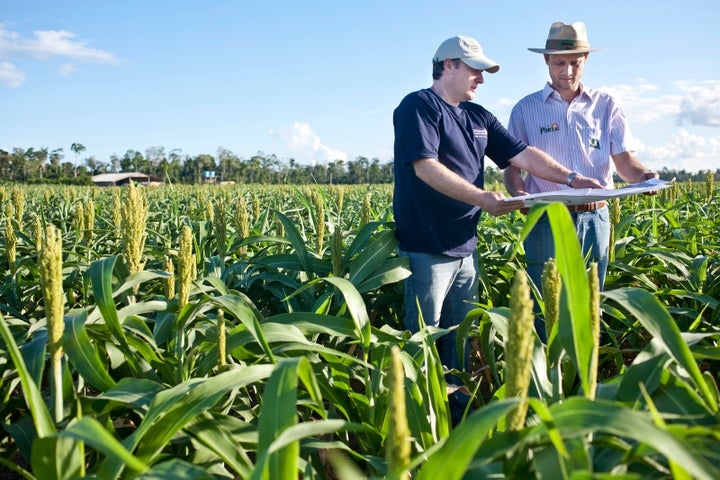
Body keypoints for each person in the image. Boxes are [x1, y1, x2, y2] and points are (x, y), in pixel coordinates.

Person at [392, 34, 602, 424]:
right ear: (448, 65)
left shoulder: (477, 116)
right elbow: (425, 167)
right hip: (427, 248)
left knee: (456, 340)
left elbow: (522, 155)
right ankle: (418, 424)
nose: (481, 79)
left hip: (464, 248)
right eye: (475, 70)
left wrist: (573, 179)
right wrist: (482, 198)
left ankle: (454, 420)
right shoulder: (418, 107)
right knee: (423, 342)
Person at [503, 21, 659, 338]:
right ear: (546, 60)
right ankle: (548, 379)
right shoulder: (524, 109)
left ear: (586, 59)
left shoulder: (607, 105)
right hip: (547, 218)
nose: (568, 71)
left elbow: (624, 161)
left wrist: (644, 176)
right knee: (547, 307)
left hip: (596, 217)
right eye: (560, 63)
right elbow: (512, 168)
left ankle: (584, 380)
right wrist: (519, 195)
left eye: (576, 62)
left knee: (589, 306)